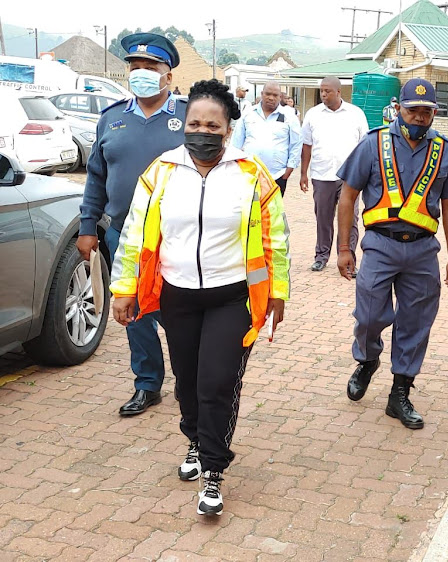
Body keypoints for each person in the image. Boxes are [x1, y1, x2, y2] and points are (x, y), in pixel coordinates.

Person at [109, 79, 291, 516]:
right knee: (188, 384)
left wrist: (278, 293)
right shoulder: (161, 171)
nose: (202, 132)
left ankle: (213, 469)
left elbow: (276, 239)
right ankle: (194, 438)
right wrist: (122, 288)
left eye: (213, 125)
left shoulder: (252, 174)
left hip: (233, 298)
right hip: (178, 296)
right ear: (184, 124)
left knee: (217, 384)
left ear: (228, 130)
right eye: (194, 123)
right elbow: (134, 234)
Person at [336, 78, 448, 429]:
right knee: (369, 314)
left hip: (424, 249)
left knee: (416, 322)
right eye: (413, 110)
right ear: (398, 109)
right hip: (379, 243)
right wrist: (344, 248)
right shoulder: (372, 144)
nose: (420, 117)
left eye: (427, 112)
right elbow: (347, 196)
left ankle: (400, 393)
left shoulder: (445, 151)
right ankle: (367, 360)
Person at [77, 32, 186, 416]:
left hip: (180, 237)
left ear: (168, 75)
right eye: (134, 67)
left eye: (150, 67)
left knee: (179, 315)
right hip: (124, 235)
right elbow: (96, 177)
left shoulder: (189, 117)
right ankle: (148, 383)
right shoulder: (111, 119)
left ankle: (190, 384)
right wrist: (88, 225)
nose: (141, 73)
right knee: (135, 314)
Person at [300, 76, 369, 272]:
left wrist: (364, 173)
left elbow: (365, 146)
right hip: (322, 174)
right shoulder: (313, 115)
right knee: (323, 218)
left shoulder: (356, 114)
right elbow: (306, 145)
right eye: (321, 91)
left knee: (350, 219)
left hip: (350, 177)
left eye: (327, 91)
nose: (323, 94)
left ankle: (348, 259)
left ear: (338, 92)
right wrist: (303, 173)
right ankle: (321, 256)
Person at [231, 80, 302, 196]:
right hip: (249, 174)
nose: (271, 98)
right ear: (262, 93)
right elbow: (236, 142)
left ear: (280, 97)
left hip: (277, 175)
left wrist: (290, 168)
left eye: (275, 95)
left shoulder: (289, 117)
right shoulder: (248, 113)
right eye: (268, 94)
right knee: (249, 210)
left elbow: (296, 143)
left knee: (273, 212)